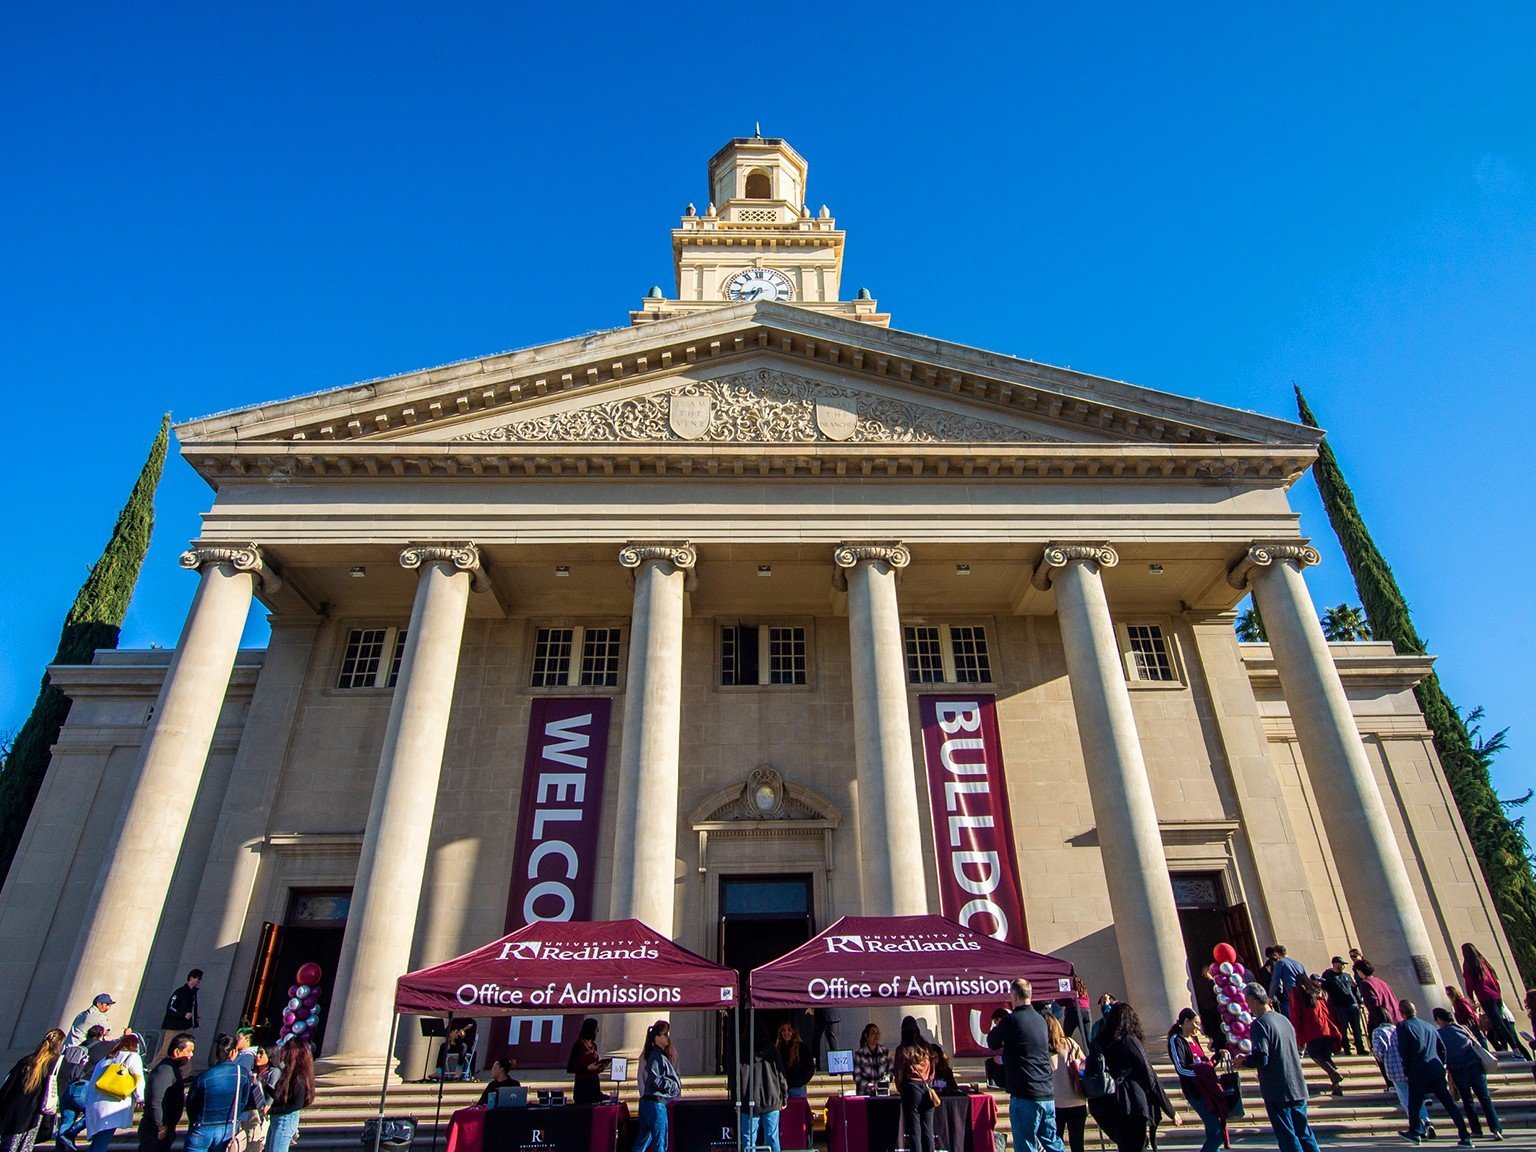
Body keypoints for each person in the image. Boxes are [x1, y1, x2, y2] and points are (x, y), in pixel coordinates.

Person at [1086, 1002, 1177, 1152]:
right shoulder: (1129, 1041)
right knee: (1136, 1145)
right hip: (1131, 1102)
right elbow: (1150, 1076)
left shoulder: (1098, 1041)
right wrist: (1169, 1110)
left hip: (1105, 1102)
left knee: (1126, 1145)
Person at [989, 979, 1067, 1152]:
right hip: (1046, 1091)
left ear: (1014, 996)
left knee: (1026, 1144)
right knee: (1052, 1141)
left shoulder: (1012, 1019)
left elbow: (992, 1041)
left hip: (1025, 1092)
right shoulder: (1041, 1020)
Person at [1243, 984, 1320, 1152]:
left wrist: (1244, 1062)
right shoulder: (1284, 1019)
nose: (1248, 1007)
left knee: (1288, 1136)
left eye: (1247, 1003)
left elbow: (1262, 1057)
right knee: (1305, 1133)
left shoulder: (1260, 1024)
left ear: (1252, 1001)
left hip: (1277, 1088)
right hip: (1296, 1084)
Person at [1396, 1000, 1472, 1146]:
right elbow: (1442, 1048)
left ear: (1402, 1013)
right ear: (1415, 1010)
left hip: (1418, 1070)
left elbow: (1404, 1050)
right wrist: (1441, 1064)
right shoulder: (1429, 1026)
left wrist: (1407, 1067)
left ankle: (1415, 1131)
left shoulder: (1403, 1026)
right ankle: (1464, 1134)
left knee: (1414, 1103)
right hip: (1435, 1068)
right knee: (1449, 1103)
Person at [1433, 1007, 1502, 1141]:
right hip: (1475, 1065)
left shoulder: (1439, 1034)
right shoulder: (1462, 1028)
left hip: (1458, 1069)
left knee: (1467, 1100)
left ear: (1440, 1020)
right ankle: (1496, 1129)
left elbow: (1442, 1053)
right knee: (1485, 1098)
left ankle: (1476, 1130)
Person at [183, 1035, 257, 1152]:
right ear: (233, 1052)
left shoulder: (203, 1076)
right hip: (228, 1126)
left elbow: (191, 1103)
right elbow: (243, 1101)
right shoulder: (241, 1073)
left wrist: (195, 1120)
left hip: (202, 1125)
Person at [1461, 943, 1530, 1061]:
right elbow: (1494, 979)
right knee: (1499, 1024)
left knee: (1499, 1024)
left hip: (1485, 996)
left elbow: (1469, 983)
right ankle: (1509, 1049)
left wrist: (1471, 997)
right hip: (1496, 995)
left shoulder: (1469, 964)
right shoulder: (1483, 961)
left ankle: (1516, 1050)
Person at [1167, 1008, 1223, 1152]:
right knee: (1217, 1134)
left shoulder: (1195, 1039)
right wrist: (1200, 1075)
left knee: (1212, 1133)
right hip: (1195, 1092)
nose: (1198, 1027)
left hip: (1207, 1091)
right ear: (1186, 1022)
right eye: (1196, 1023)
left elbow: (1204, 1064)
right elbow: (1181, 1068)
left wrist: (1217, 1057)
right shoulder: (1176, 1040)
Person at [0, 1029, 64, 1152]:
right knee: (25, 1147)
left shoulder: (26, 1061)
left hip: (14, 1109)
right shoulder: (54, 1063)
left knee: (8, 1146)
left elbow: (8, 1086)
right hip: (34, 1113)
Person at [82, 1034, 144, 1152]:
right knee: (101, 1143)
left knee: (97, 1142)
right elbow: (139, 1079)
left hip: (95, 1104)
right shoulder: (133, 1057)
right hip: (112, 1105)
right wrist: (140, 1098)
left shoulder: (105, 1059)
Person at [1290, 976, 1344, 1095]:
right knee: (1326, 1056)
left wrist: (1297, 1032)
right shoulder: (1321, 992)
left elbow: (1296, 1013)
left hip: (1313, 1028)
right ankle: (1337, 1086)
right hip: (1328, 1026)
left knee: (1315, 1054)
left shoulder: (1298, 993)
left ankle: (1333, 1073)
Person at [631, 1020, 679, 1152]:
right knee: (660, 1143)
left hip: (648, 1102)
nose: (667, 1037)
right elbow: (656, 1078)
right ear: (657, 1038)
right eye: (665, 1034)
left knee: (643, 1141)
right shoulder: (656, 1056)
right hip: (656, 1103)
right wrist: (673, 1086)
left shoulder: (654, 1054)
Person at [139, 1034, 193, 1152]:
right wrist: (160, 1126)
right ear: (177, 1051)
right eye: (189, 1051)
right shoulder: (165, 1071)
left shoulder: (172, 1069)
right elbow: (155, 1100)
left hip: (165, 1127)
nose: (191, 1055)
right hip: (155, 1129)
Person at [893, 1017, 936, 1152]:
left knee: (914, 1130)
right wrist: (929, 1082)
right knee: (928, 1129)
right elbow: (933, 1070)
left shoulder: (903, 1050)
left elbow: (898, 1072)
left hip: (911, 1088)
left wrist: (900, 1088)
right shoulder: (926, 1047)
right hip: (927, 1086)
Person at [264, 1038, 314, 1152]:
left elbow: (296, 1104)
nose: (281, 1051)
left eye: (285, 1049)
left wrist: (271, 1110)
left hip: (285, 1120)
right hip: (278, 1118)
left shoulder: (299, 1075)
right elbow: (281, 1097)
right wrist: (264, 1086)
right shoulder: (287, 1071)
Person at [1047, 1013, 1088, 1152]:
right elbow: (1084, 1065)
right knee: (1078, 1143)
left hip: (1055, 1102)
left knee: (1055, 1142)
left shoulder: (1042, 1049)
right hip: (1077, 1099)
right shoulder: (1070, 1043)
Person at [740, 1037, 786, 1152]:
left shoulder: (743, 1051)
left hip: (749, 1099)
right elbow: (781, 1075)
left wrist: (737, 1098)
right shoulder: (773, 1050)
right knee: (772, 1138)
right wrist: (784, 1095)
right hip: (771, 1097)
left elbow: (737, 1076)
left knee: (748, 1140)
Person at [1321, 956, 1368, 1055]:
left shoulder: (1346, 976)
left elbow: (1354, 989)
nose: (1343, 966)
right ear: (1335, 964)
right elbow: (1324, 990)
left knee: (1357, 1027)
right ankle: (1346, 1048)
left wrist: (1359, 1002)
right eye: (1341, 964)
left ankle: (1360, 1047)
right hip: (1339, 1006)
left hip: (1352, 1004)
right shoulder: (1328, 975)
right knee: (1343, 1028)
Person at [154, 973, 202, 1064]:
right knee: (166, 1050)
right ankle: (153, 1069)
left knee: (187, 1052)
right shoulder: (180, 992)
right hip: (174, 1025)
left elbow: (192, 1008)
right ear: (191, 978)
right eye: (198, 978)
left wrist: (195, 1018)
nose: (199, 981)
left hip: (186, 1026)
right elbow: (170, 1007)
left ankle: (186, 1074)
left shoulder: (193, 993)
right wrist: (183, 1014)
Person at [1357, 960, 1401, 1033]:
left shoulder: (1365, 983)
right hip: (1396, 1017)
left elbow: (1373, 1005)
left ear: (1360, 971)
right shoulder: (1382, 982)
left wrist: (1371, 1024)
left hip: (1384, 1021)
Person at [566, 1019, 602, 1106]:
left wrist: (600, 1067)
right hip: (583, 1085)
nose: (597, 1031)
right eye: (596, 1029)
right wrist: (586, 1068)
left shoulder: (594, 1045)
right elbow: (570, 1067)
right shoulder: (578, 1045)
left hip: (594, 1084)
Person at [1267, 946, 1306, 1020]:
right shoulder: (1298, 963)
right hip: (1302, 992)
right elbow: (1306, 978)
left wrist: (1270, 996)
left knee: (1292, 1017)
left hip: (1291, 993)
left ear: (1277, 954)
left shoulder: (1280, 963)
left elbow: (1275, 980)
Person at [775, 1022, 813, 1099]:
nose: (786, 1033)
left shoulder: (801, 1047)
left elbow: (810, 1067)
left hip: (797, 1088)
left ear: (793, 1032)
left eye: (789, 1030)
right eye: (783, 1030)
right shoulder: (778, 1049)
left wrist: (801, 1081)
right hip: (782, 1088)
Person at [852, 1024, 892, 1096]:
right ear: (866, 1035)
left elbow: (891, 1070)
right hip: (864, 1094)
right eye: (873, 1033)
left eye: (878, 1033)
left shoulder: (885, 1051)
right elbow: (857, 1077)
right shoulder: (859, 1054)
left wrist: (884, 1082)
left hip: (882, 1093)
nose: (876, 1035)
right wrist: (870, 1086)